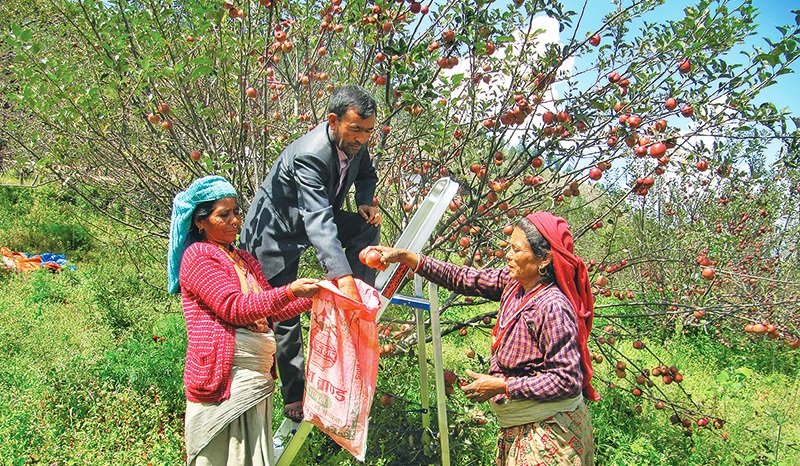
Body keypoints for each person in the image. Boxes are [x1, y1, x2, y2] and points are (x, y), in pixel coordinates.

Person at [373, 212, 599, 465]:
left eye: (516, 250)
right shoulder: (514, 284)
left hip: (550, 434)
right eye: (509, 248)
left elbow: (566, 380)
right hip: (520, 427)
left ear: (544, 259)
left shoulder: (552, 307)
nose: (508, 256)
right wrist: (410, 259)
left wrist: (504, 386)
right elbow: (464, 278)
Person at [240, 85, 381, 421]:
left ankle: (357, 297)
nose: (362, 137)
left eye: (368, 130)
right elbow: (318, 219)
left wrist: (364, 199)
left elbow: (366, 174)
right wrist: (340, 275)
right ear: (333, 121)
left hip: (306, 222)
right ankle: (294, 397)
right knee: (284, 312)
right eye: (356, 129)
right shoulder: (310, 154)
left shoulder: (356, 145)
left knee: (366, 228)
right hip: (272, 233)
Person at [167, 175, 320, 465]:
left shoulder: (245, 260)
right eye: (223, 215)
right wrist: (290, 291)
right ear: (200, 222)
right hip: (224, 377)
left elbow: (270, 310)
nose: (235, 221)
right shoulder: (198, 257)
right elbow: (233, 307)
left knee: (249, 454)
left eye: (236, 212)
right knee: (223, 455)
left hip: (253, 376)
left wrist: (314, 297)